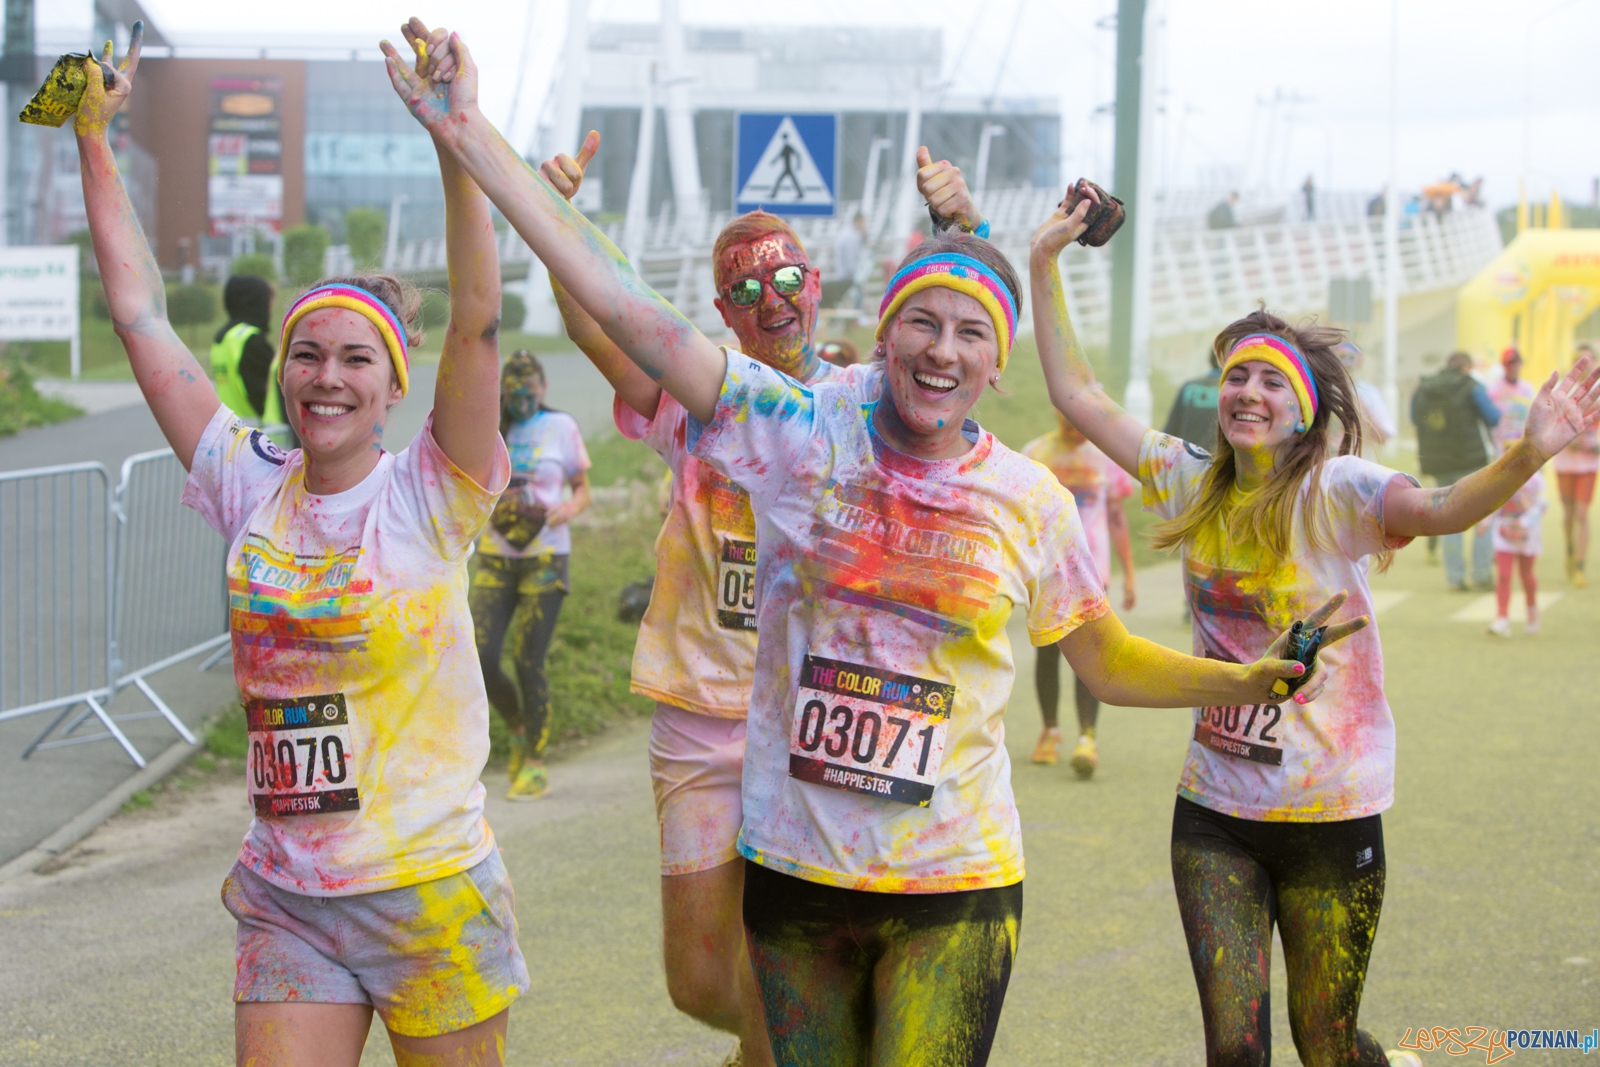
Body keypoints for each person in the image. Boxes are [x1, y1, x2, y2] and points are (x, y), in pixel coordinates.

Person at [406, 33, 1332, 1065]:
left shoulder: (1026, 499)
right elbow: (627, 310)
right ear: (883, 336)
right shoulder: (796, 428)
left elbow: (1106, 659)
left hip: (956, 880)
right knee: (721, 997)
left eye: (970, 332)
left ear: (997, 358)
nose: (943, 348)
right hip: (795, 866)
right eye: (920, 325)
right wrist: (466, 135)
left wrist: (1238, 676)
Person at [1031, 186, 1600, 1067]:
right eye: (1236, 377)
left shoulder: (1337, 491)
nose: (1248, 391)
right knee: (1235, 1050)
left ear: (1302, 411)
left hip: (1333, 804)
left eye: (1271, 381)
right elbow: (1078, 387)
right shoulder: (1186, 478)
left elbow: (1442, 508)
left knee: (1326, 1042)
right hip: (1215, 808)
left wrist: (1528, 453)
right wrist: (1043, 262)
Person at [74, 25, 526, 1066]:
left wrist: (455, 142)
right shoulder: (247, 478)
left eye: (355, 358)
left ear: (393, 383)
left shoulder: (432, 489)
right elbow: (141, 315)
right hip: (290, 893)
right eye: (307, 352)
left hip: (427, 887)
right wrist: (95, 139)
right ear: (283, 369)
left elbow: (477, 324)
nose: (326, 374)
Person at [536, 132, 976, 1065]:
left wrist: (955, 220)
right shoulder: (689, 401)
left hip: (819, 716)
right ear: (721, 310)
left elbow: (952, 336)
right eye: (744, 288)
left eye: (785, 280)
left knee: (799, 966)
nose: (769, 301)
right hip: (701, 712)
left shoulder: (861, 404)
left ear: (815, 285)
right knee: (699, 979)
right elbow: (591, 324)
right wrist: (560, 219)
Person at [472, 349, 591, 801]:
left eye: (529, 389)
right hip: (495, 557)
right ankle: (517, 730)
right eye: (513, 390)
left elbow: (583, 489)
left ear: (543, 388)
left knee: (528, 659)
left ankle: (536, 763)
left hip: (546, 556)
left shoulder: (560, 427)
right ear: (502, 388)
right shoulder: (487, 427)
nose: (521, 397)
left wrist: (568, 509)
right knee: (481, 656)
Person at [1022, 413, 1137, 777]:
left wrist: (1129, 574)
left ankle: (1087, 737)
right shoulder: (1035, 452)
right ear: (1056, 413)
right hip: (1046, 572)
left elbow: (1116, 517)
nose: (1072, 426)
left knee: (1089, 656)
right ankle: (1050, 730)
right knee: (1047, 652)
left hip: (1091, 572)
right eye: (1065, 418)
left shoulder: (1104, 456)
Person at [1411, 351, 1501, 589]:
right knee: (1483, 515)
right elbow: (1493, 417)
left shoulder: (1425, 387)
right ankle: (1481, 573)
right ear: (1466, 368)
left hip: (1439, 462)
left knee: (1449, 517)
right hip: (1471, 461)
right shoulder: (1472, 386)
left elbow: (1414, 417)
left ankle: (1455, 577)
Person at [211, 273, 299, 447]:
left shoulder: (222, 340)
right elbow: (266, 392)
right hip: (259, 437)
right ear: (257, 302)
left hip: (230, 434)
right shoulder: (251, 340)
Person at [1554, 343, 1599, 586]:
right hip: (1564, 463)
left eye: (1590, 359)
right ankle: (1569, 554)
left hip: (1588, 465)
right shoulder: (1564, 390)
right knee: (1569, 514)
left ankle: (1580, 567)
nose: (1586, 364)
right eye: (1581, 360)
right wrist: (1569, 439)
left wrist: (1592, 445)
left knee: (1582, 513)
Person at [1488, 460, 1545, 637]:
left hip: (1527, 534)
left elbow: (1542, 505)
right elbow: (1493, 502)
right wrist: (1485, 521)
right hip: (1504, 532)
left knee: (1526, 575)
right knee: (1504, 575)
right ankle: (1502, 619)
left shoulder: (1537, 480)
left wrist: (1524, 523)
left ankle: (1532, 610)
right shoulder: (1500, 478)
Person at [1336, 341, 1396, 453]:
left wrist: (1361, 408)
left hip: (1361, 462)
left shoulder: (1370, 393)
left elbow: (1382, 438)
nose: (1346, 370)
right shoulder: (1324, 391)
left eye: (1350, 363)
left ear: (1359, 364)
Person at [1163, 348, 1222, 448]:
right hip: (1217, 460)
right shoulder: (1230, 392)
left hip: (1185, 458)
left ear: (1209, 359)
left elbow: (1170, 430)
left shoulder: (1189, 387)